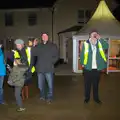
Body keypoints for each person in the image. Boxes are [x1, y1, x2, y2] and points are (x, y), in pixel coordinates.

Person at [29, 33, 59, 104]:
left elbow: (57, 56)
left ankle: (49, 97)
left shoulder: (53, 46)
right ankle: (42, 96)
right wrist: (33, 45)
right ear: (42, 38)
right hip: (40, 69)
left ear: (48, 37)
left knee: (50, 85)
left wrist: (51, 62)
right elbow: (33, 53)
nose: (44, 37)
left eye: (46, 36)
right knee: (40, 85)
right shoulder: (39, 46)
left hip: (49, 68)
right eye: (43, 36)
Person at [80, 30, 108, 104]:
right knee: (87, 85)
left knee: (96, 85)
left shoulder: (100, 43)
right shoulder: (86, 44)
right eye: (93, 34)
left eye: (96, 34)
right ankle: (87, 98)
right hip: (88, 68)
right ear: (90, 36)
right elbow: (82, 54)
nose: (95, 36)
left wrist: (100, 38)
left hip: (96, 69)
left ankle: (96, 98)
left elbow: (107, 46)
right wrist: (82, 63)